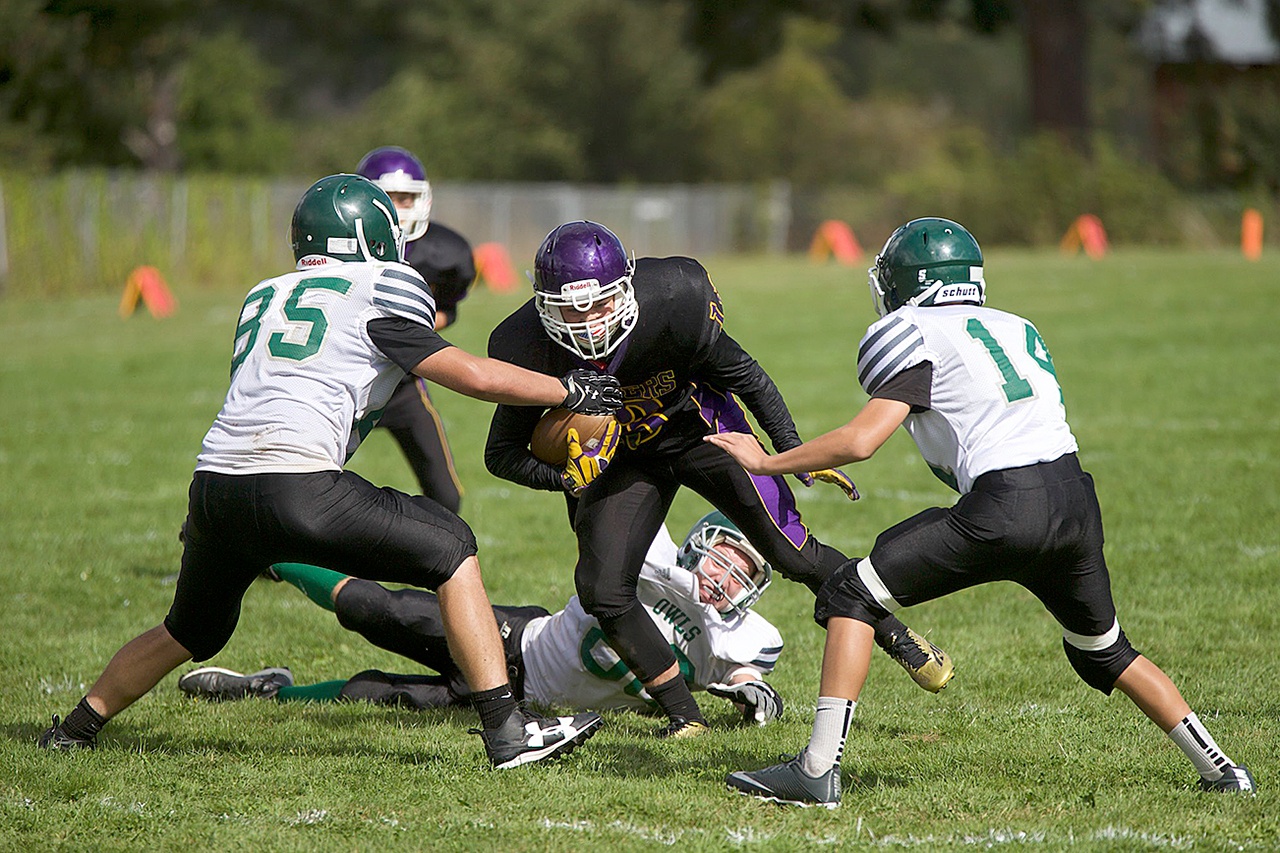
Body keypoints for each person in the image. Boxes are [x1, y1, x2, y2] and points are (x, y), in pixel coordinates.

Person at [37, 174, 623, 770]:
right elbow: (468, 374)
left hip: (214, 486)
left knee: (188, 630)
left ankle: (75, 728)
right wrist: (569, 388)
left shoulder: (264, 294)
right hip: (298, 482)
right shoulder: (382, 285)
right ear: (374, 235)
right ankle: (507, 730)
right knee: (452, 547)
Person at [709, 217, 1256, 806]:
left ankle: (816, 771)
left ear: (907, 282)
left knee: (850, 594)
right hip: (1075, 500)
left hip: (1003, 506)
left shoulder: (912, 329)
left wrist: (768, 463)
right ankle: (1222, 768)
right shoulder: (1018, 326)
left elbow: (863, 441)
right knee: (1105, 651)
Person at [484, 220, 954, 740]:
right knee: (603, 591)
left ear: (625, 289)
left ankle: (899, 637)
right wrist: (568, 479)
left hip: (701, 430)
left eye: (598, 304)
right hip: (621, 460)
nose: (587, 321)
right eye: (570, 307)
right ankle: (686, 716)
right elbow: (499, 455)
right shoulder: (522, 344)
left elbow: (745, 374)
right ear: (542, 304)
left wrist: (790, 449)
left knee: (794, 553)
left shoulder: (673, 301)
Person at [177, 513, 789, 726]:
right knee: (379, 609)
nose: (724, 580)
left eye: (742, 576)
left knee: (376, 694)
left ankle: (269, 691)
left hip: (527, 708)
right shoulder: (649, 551)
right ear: (697, 544)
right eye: (722, 560)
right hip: (516, 642)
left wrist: (758, 698)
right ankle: (266, 553)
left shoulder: (745, 637)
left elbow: (744, 681)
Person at [355, 145, 473, 512]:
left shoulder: (444, 252)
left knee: (447, 496)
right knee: (294, 477)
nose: (398, 208)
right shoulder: (344, 247)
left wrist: (417, 324)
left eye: (406, 198)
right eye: (387, 199)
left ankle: (426, 555)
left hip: (404, 384)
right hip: (345, 383)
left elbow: (447, 309)